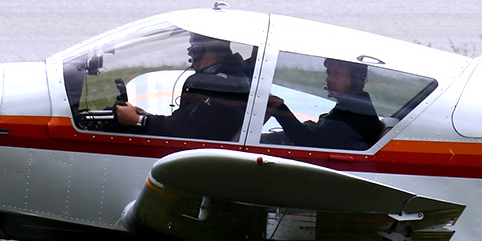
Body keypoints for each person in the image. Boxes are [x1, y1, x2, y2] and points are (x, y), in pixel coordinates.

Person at [116, 35, 250, 141]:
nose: (190, 52)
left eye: (192, 47)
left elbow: (183, 130)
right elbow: (189, 121)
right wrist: (147, 117)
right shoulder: (227, 77)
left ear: (200, 50)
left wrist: (138, 120)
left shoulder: (217, 85)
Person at [266, 59, 383, 151]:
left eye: (336, 74)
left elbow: (307, 140)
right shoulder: (351, 107)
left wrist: (280, 110)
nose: (329, 79)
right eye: (329, 73)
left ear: (357, 80)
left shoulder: (355, 115)